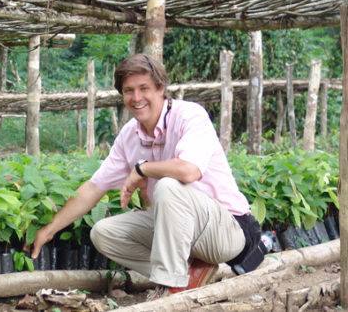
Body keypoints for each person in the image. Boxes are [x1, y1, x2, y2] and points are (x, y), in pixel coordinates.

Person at [30, 54, 261, 297]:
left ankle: (171, 290)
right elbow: (93, 188)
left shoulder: (189, 115)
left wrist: (143, 168)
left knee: (169, 186)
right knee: (103, 233)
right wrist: (49, 230)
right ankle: (188, 274)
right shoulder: (130, 135)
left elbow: (189, 170)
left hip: (227, 230)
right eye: (129, 91)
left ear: (161, 88)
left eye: (144, 88)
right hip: (186, 234)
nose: (136, 98)